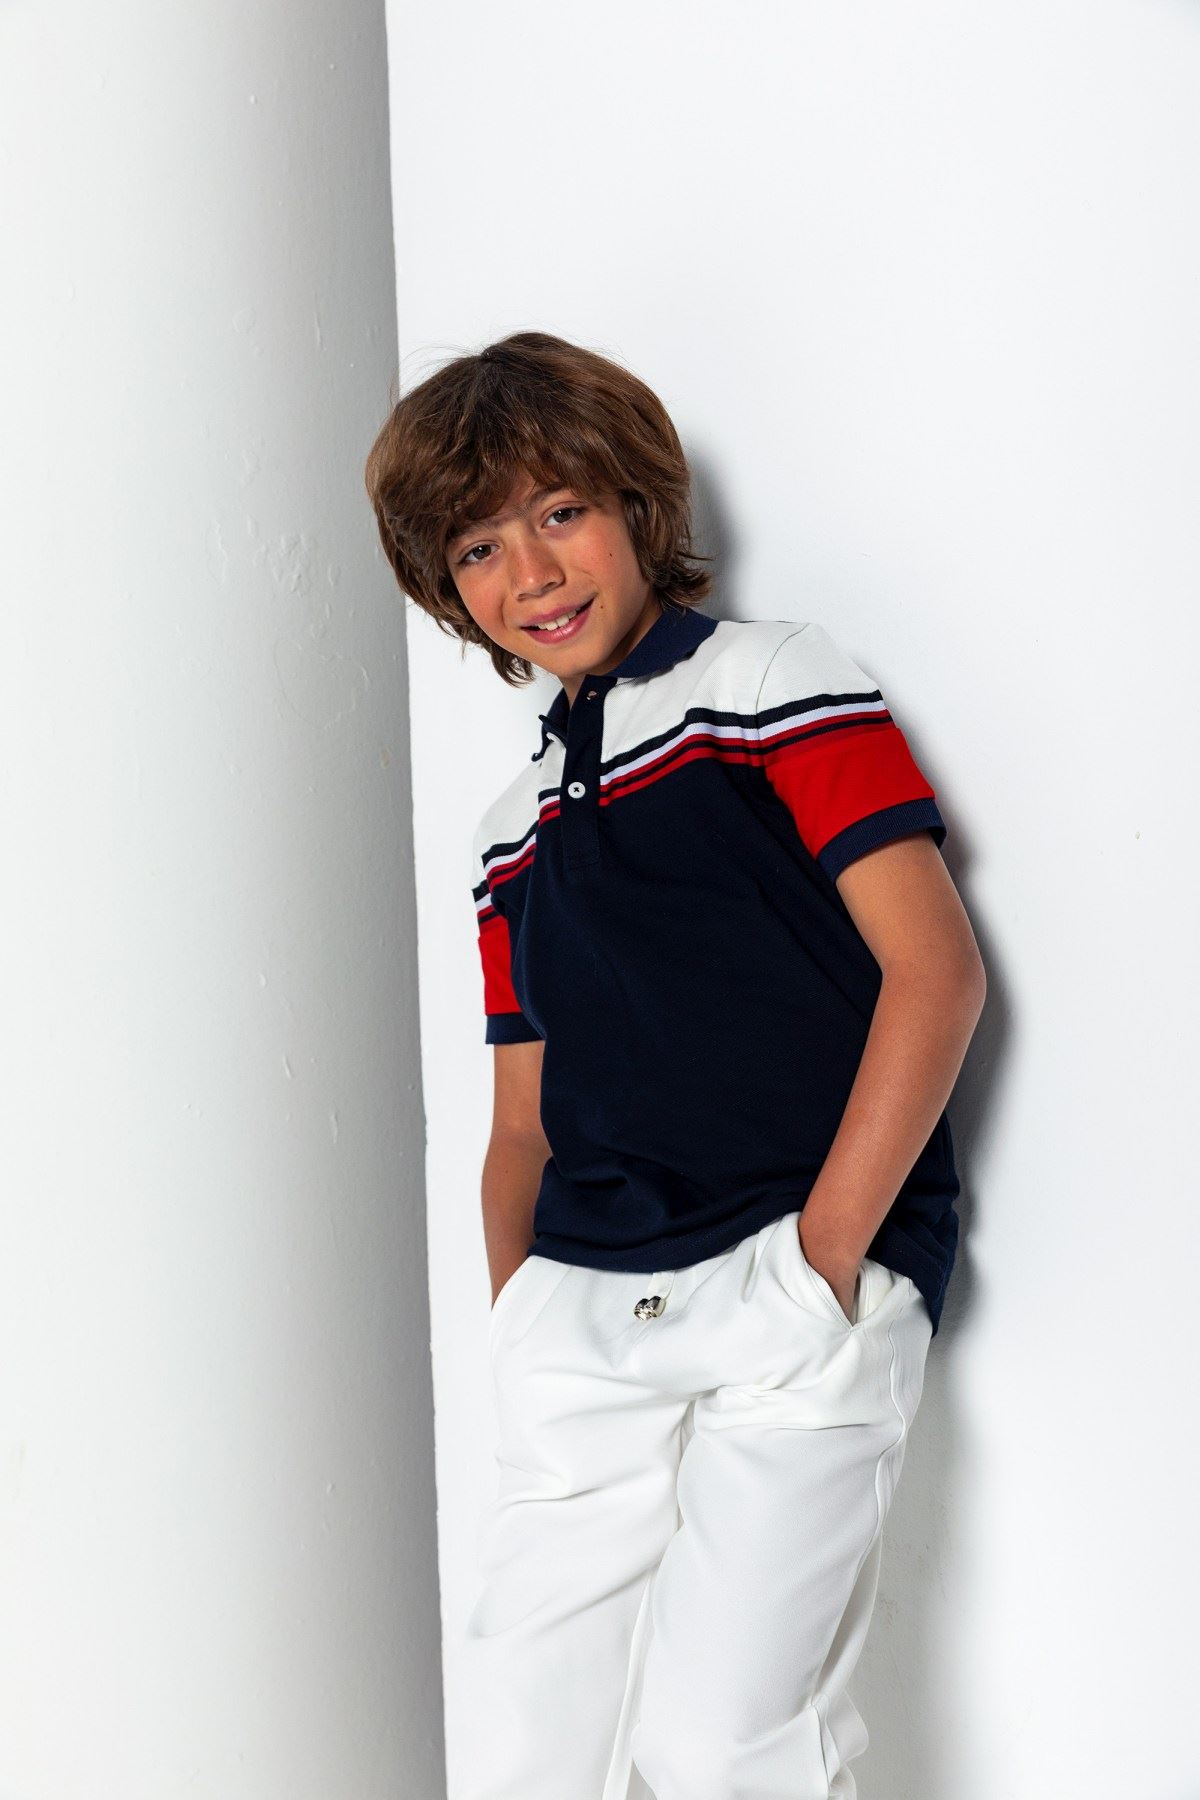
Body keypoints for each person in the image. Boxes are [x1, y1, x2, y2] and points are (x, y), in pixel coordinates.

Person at [364, 331, 986, 1800]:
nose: (530, 572)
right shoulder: (508, 830)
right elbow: (521, 1122)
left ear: (637, 505)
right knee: (522, 1751)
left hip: (788, 1274)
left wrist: (831, 1252)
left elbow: (935, 971)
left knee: (722, 1743)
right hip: (584, 1308)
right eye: (478, 547)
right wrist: (523, 1317)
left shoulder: (770, 680)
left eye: (560, 511)